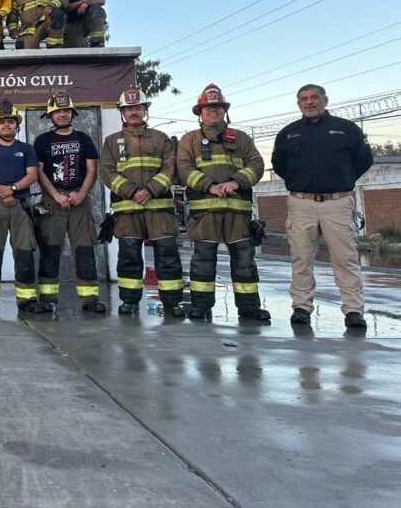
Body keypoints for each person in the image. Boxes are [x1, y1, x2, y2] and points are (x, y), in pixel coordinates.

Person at [271, 84, 374, 329]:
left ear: (325, 100)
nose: (309, 102)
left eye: (314, 97)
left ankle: (353, 311)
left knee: (346, 259)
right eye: (304, 99)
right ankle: (302, 308)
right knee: (301, 258)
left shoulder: (346, 129)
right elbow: (279, 166)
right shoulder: (288, 134)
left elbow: (363, 160)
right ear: (299, 104)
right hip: (301, 203)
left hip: (337, 203)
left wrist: (340, 180)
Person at [177, 84, 270, 322]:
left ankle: (249, 308)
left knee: (244, 262)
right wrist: (209, 185)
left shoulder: (241, 138)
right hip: (204, 213)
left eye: (217, 107)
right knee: (203, 262)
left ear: (224, 110)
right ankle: (200, 306)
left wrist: (236, 183)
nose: (213, 111)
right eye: (208, 108)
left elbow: (257, 166)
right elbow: (184, 168)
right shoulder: (190, 140)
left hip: (237, 213)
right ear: (200, 112)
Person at [99, 88, 184, 316]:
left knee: (167, 256)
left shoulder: (161, 139)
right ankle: (129, 302)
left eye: (137, 108)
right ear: (122, 113)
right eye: (129, 109)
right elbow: (107, 172)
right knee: (129, 257)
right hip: (128, 211)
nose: (133, 112)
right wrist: (133, 191)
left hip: (160, 210)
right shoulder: (111, 142)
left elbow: (170, 168)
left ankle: (172, 303)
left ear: (145, 110)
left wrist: (150, 190)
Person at [33, 92, 106, 313]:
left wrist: (81, 194)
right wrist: (55, 195)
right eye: (57, 112)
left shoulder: (84, 139)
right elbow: (38, 170)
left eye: (66, 111)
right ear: (50, 115)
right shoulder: (42, 140)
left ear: (72, 114)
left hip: (79, 201)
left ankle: (90, 299)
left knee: (84, 250)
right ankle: (47, 299)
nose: (62, 115)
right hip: (52, 202)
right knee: (50, 250)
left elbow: (92, 169)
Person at [0, 100, 42, 314]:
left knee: (24, 253)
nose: (6, 125)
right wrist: (2, 192)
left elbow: (32, 175)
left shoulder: (26, 149)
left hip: (21, 206)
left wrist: (11, 189)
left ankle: (27, 299)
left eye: (10, 121)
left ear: (16, 124)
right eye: (2, 122)